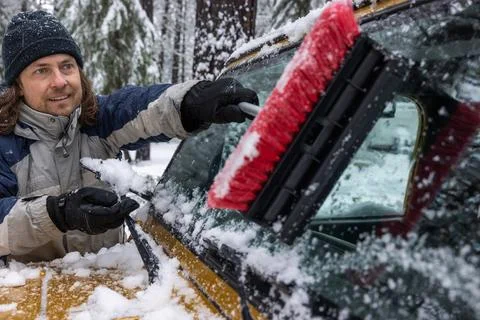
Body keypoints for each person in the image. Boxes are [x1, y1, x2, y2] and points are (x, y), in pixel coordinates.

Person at [0, 10, 258, 262]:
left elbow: (143, 106)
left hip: (111, 291)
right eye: (41, 70)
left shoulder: (98, 120)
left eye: (67, 66)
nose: (59, 81)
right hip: (30, 296)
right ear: (18, 86)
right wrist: (58, 214)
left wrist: (191, 102)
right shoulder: (5, 144)